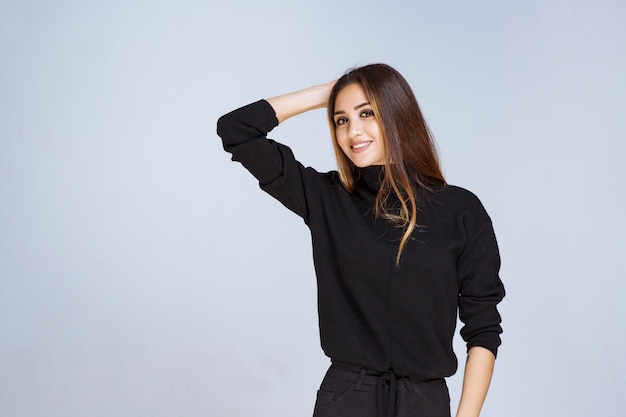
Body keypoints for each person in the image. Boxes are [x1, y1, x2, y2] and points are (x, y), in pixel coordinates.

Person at [216, 63, 505, 417]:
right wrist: (328, 92)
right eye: (341, 120)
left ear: (397, 114)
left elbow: (483, 329)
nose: (353, 130)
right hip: (346, 398)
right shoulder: (326, 199)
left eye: (367, 113)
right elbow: (237, 130)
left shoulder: (462, 210)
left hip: (425, 402)